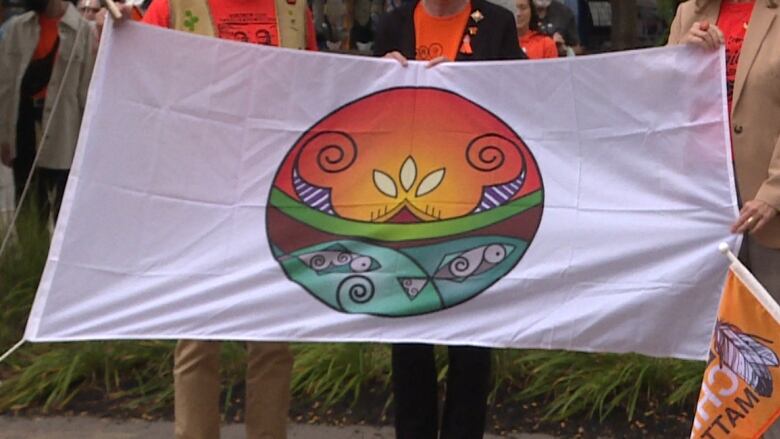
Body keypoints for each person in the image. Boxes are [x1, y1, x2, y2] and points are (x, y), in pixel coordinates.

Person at [108, 1, 317, 437]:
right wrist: (119, 28)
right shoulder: (173, 6)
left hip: (270, 191)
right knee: (198, 336)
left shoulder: (294, 11)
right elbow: (137, 76)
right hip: (197, 193)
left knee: (272, 338)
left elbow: (312, 87)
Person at [374, 3, 523, 437]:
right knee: (409, 342)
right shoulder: (393, 23)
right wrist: (379, 70)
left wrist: (474, 82)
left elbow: (527, 92)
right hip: (403, 203)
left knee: (473, 343)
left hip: (477, 201)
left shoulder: (496, 23)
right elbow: (364, 105)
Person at [669, 1, 779, 436]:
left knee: (770, 338)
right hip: (706, 203)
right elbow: (660, 101)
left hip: (768, 208)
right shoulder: (688, 11)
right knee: (725, 344)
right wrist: (682, 54)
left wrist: (774, 190)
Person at [0, 0, 96, 224]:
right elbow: (5, 86)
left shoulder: (82, 32)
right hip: (23, 129)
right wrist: (4, 135)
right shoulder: (17, 28)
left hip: (64, 132)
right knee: (26, 205)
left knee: (60, 207)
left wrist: (86, 146)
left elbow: (86, 93)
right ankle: (31, 254)